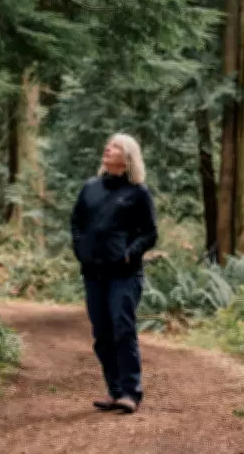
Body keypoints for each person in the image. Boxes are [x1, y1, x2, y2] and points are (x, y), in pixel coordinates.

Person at [70, 133, 158, 414]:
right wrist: (81, 250)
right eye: (108, 144)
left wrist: (130, 253)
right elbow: (76, 223)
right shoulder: (90, 188)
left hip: (125, 274)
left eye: (116, 146)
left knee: (122, 328)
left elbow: (150, 233)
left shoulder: (138, 192)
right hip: (93, 273)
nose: (108, 147)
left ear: (128, 157)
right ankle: (115, 391)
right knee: (102, 333)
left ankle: (131, 392)